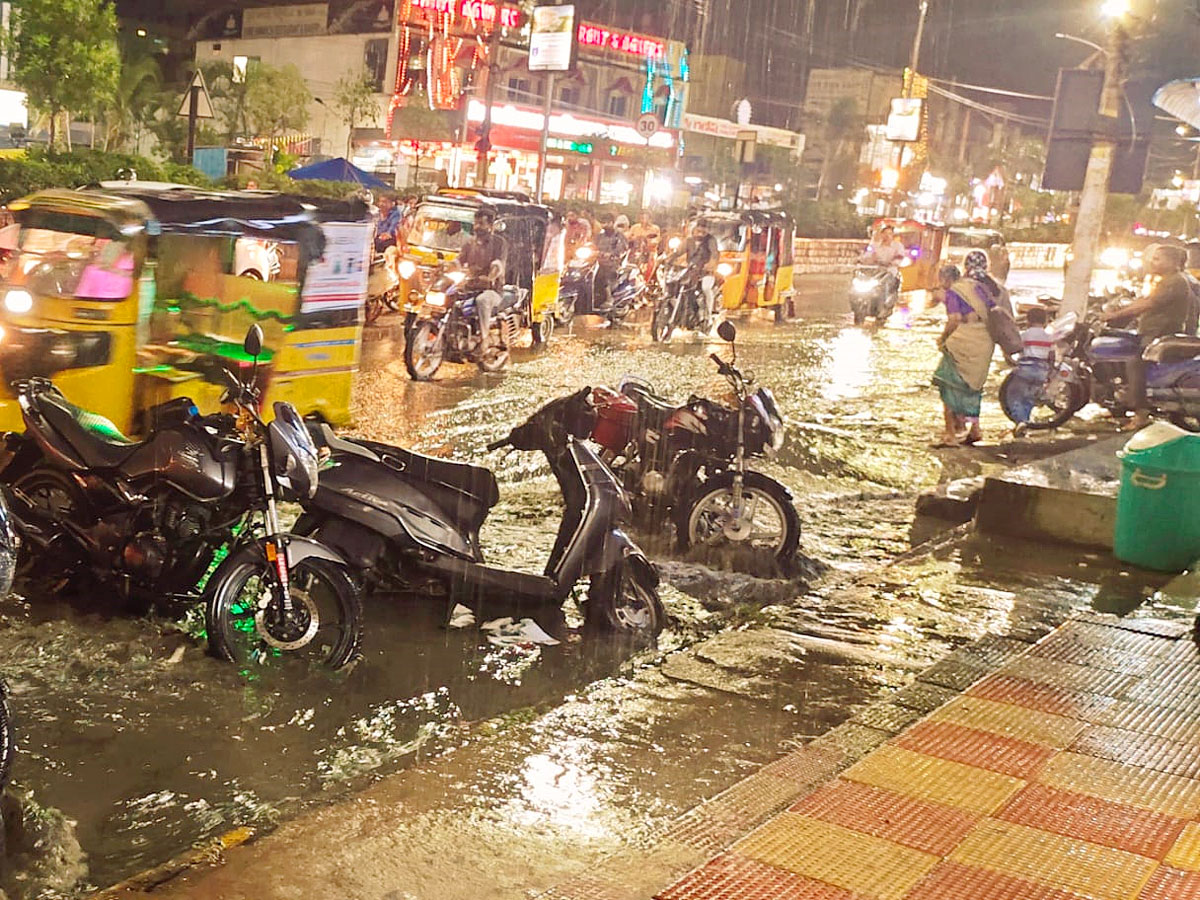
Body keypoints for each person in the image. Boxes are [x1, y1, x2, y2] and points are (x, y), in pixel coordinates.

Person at [1101, 243, 1192, 430]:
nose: (1153, 262)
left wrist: (1115, 315)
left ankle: (1141, 413)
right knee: (1123, 347)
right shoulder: (1163, 280)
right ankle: (1120, 404)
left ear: (1173, 262)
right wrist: (1119, 309)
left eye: (1158, 259)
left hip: (1161, 335)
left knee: (1136, 363)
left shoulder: (1175, 281)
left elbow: (1148, 304)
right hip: (1151, 332)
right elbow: (1142, 300)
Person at [931, 256, 996, 447]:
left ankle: (950, 433)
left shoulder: (955, 292)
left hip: (963, 342)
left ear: (944, 279)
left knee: (947, 383)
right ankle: (975, 429)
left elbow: (954, 319)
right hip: (984, 341)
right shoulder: (981, 288)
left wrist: (943, 339)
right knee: (973, 387)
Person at [456, 207, 508, 354]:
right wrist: (447, 266)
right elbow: (459, 260)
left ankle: (484, 339)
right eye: (476, 223)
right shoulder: (469, 243)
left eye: (481, 224)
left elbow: (498, 264)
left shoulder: (499, 243)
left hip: (492, 290)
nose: (477, 227)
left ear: (490, 226)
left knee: (482, 301)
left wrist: (491, 277)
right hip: (470, 287)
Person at [666, 218, 720, 333]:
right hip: (691, 272)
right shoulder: (689, 241)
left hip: (705, 273)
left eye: (704, 227)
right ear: (695, 229)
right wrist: (668, 259)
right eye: (699, 227)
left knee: (706, 288)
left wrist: (710, 265)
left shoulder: (711, 241)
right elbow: (679, 252)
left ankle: (708, 317)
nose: (701, 230)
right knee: (676, 284)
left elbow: (714, 255)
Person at [1007, 306, 1055, 429]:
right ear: (1045, 321)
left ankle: (1020, 421)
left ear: (1028, 321)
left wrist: (1010, 359)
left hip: (1026, 368)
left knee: (1015, 395)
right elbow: (1051, 356)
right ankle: (1025, 422)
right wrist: (1049, 373)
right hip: (1041, 371)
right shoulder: (1049, 337)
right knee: (1030, 398)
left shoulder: (1025, 335)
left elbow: (1015, 348)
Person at [861, 225, 906, 305]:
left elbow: (899, 257)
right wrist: (863, 259)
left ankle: (885, 303)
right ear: (881, 234)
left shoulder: (898, 246)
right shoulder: (875, 245)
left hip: (890, 271)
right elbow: (867, 255)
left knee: (886, 283)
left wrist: (892, 262)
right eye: (885, 233)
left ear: (892, 235)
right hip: (875, 271)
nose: (887, 236)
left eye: (889, 234)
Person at [594, 211, 629, 314]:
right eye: (602, 222)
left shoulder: (619, 236)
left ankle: (609, 298)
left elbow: (622, 250)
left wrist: (611, 254)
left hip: (612, 264)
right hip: (597, 262)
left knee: (603, 274)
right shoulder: (600, 236)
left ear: (612, 223)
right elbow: (592, 245)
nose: (604, 225)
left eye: (606, 222)